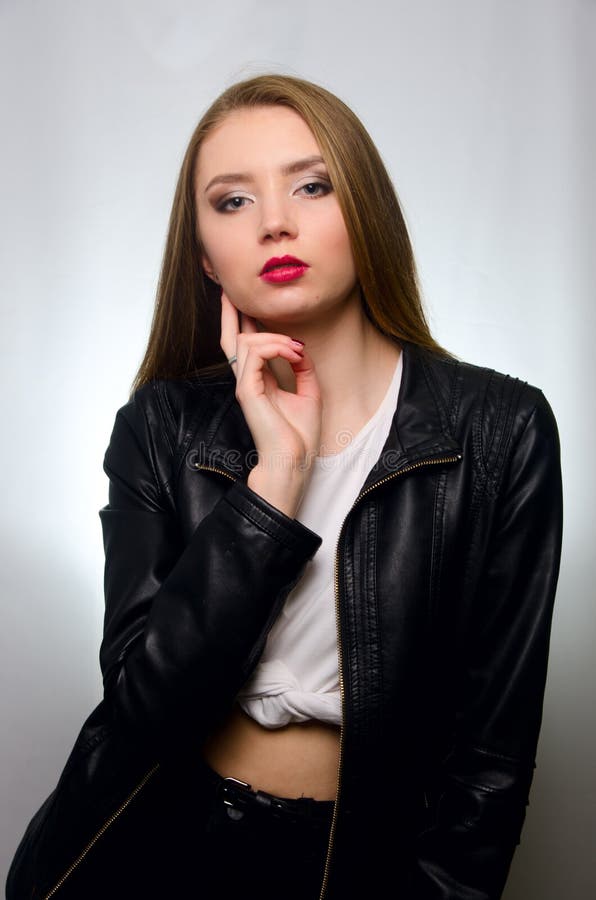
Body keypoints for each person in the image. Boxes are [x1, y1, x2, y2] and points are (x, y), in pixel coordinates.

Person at [7, 74, 562, 900]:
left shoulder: (500, 429)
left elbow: (491, 761)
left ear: (364, 207)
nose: (274, 221)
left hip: (359, 865)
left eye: (312, 185)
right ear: (203, 255)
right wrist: (276, 483)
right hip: (150, 851)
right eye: (232, 201)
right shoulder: (161, 427)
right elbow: (138, 710)